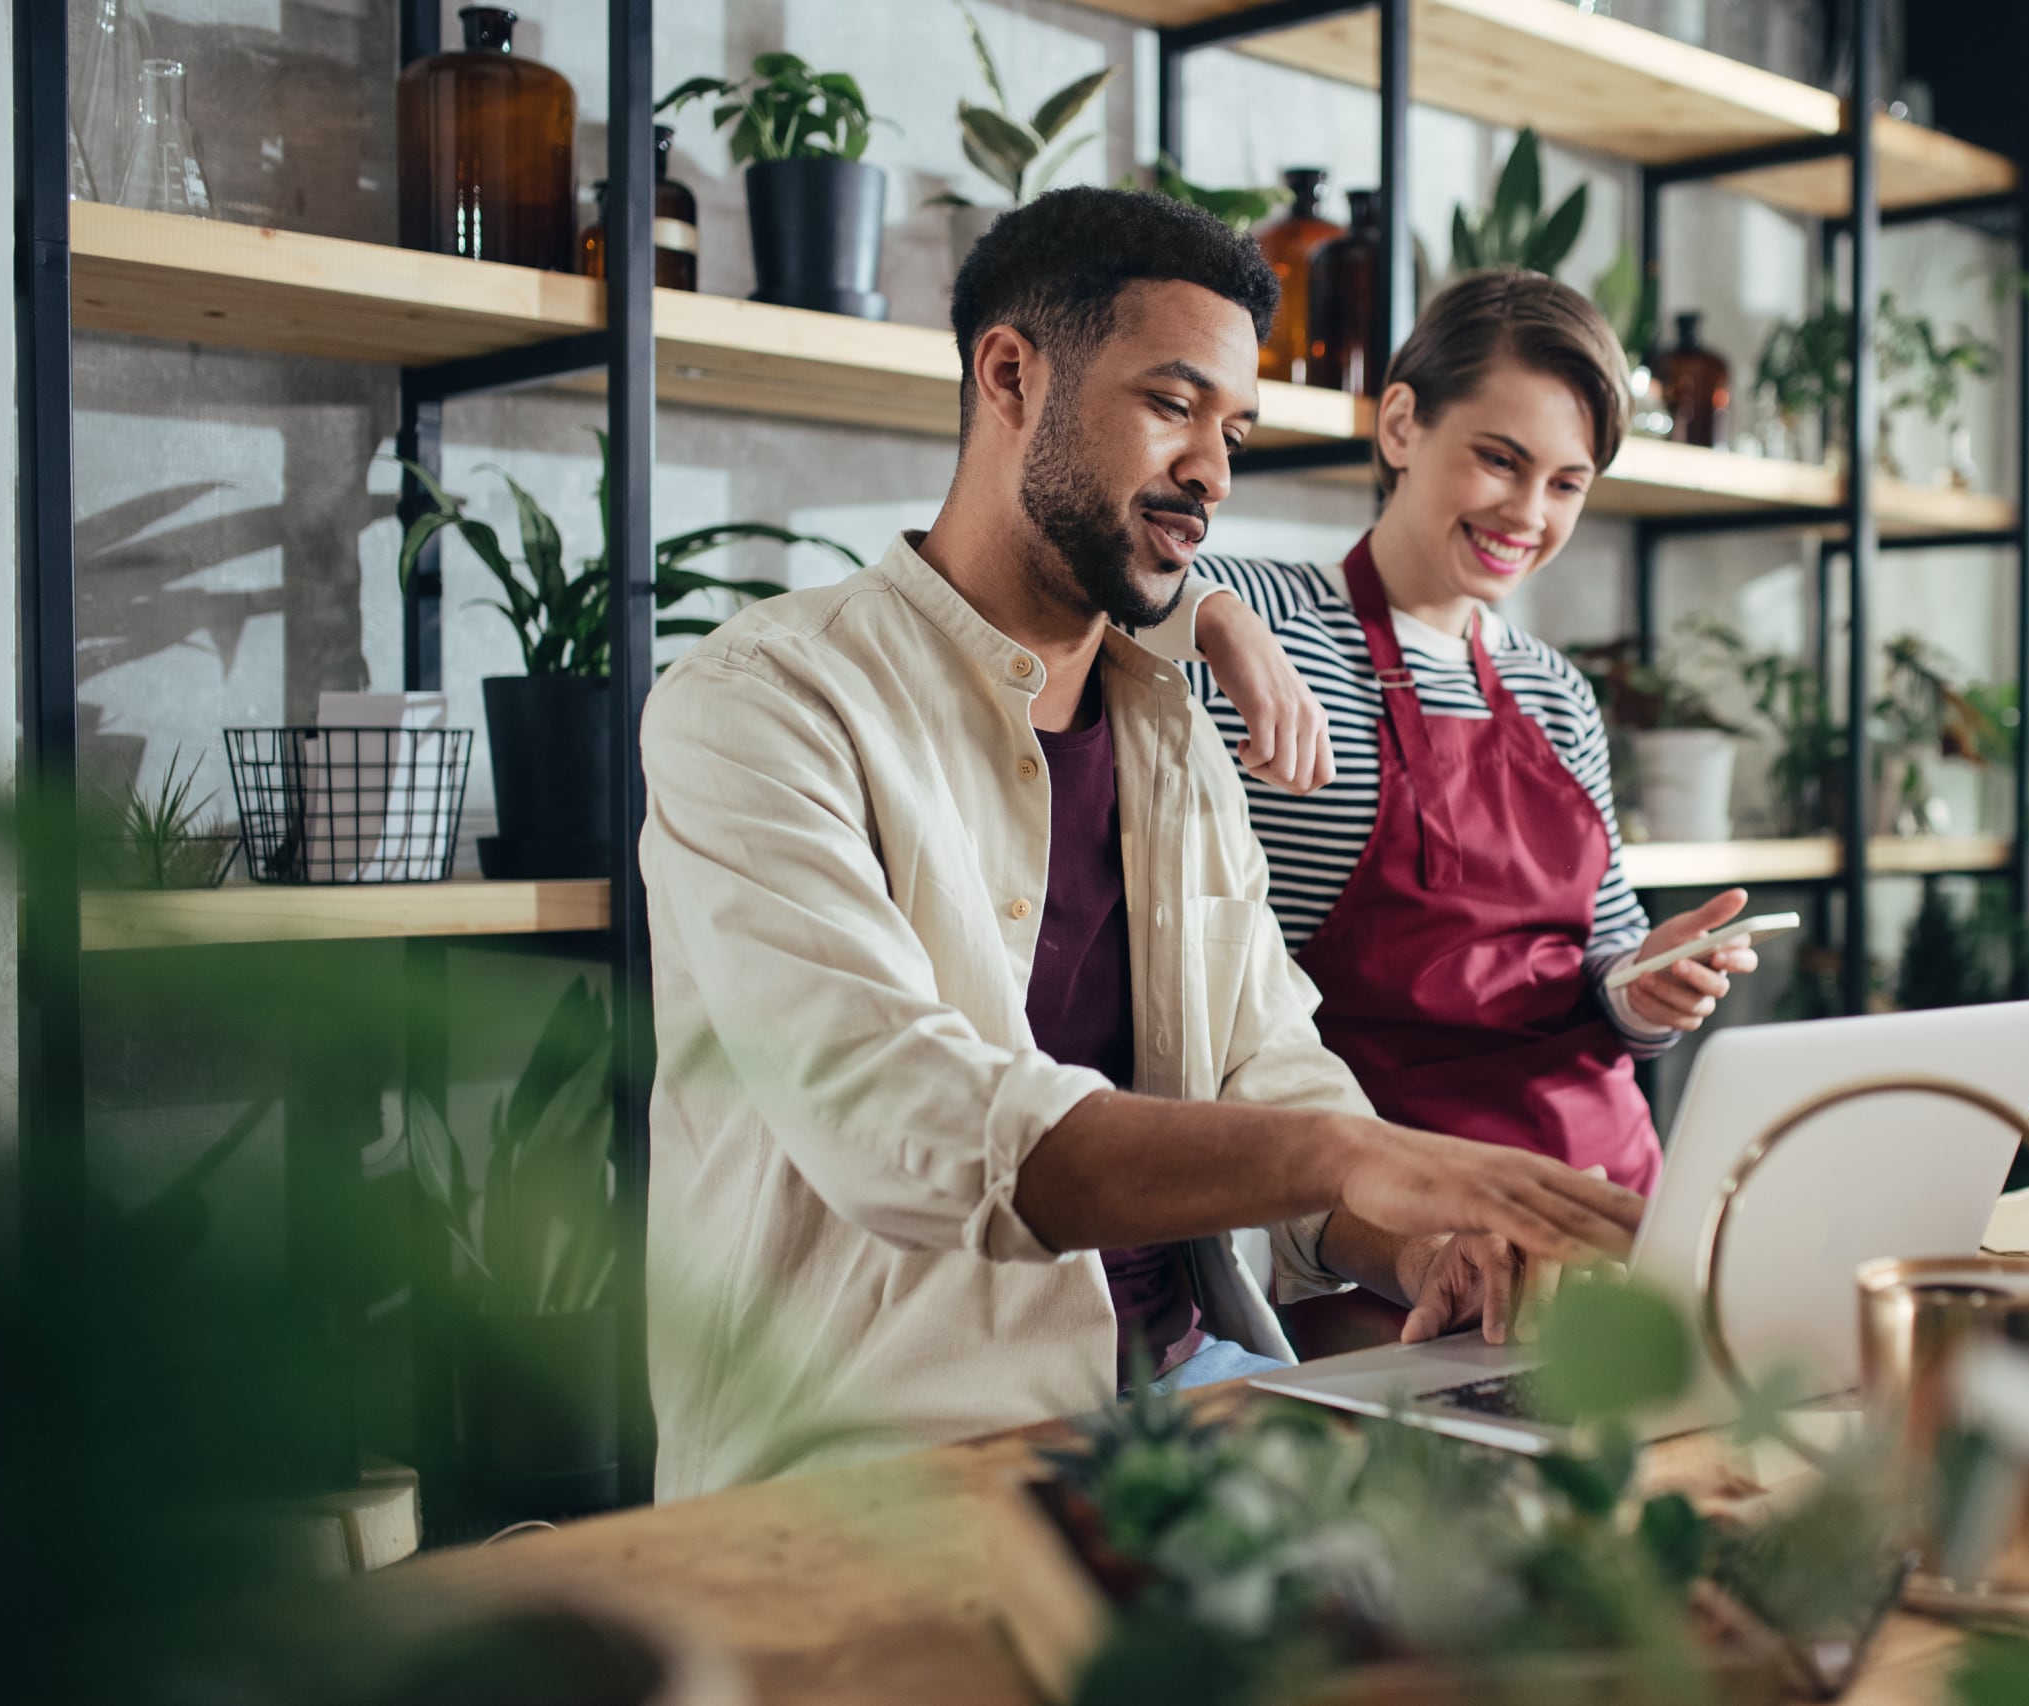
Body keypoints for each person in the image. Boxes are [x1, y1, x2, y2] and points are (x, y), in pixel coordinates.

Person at [637, 190, 1645, 1498]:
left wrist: (1412, 1245)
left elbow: (1269, 1066)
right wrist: (1363, 1154)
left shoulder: (1168, 728)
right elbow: (904, 1121)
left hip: (1191, 1401)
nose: (1215, 474)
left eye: (1234, 430)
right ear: (1011, 374)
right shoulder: (764, 702)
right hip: (885, 1464)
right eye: (1174, 406)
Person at [1148, 270, 1761, 1199]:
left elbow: (1605, 954)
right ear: (1401, 425)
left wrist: (1649, 986)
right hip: (1383, 1206)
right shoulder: (1258, 615)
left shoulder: (1554, 689)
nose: (1528, 514)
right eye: (1500, 460)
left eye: (1567, 484)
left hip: (1605, 1185)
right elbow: (1079, 595)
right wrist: (1221, 620)